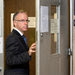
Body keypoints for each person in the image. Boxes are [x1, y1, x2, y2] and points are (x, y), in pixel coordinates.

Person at [4, 10, 36, 75]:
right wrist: (28, 53)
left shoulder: (20, 36)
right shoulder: (12, 37)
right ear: (14, 23)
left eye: (27, 20)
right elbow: (10, 60)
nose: (26, 23)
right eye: (22, 20)